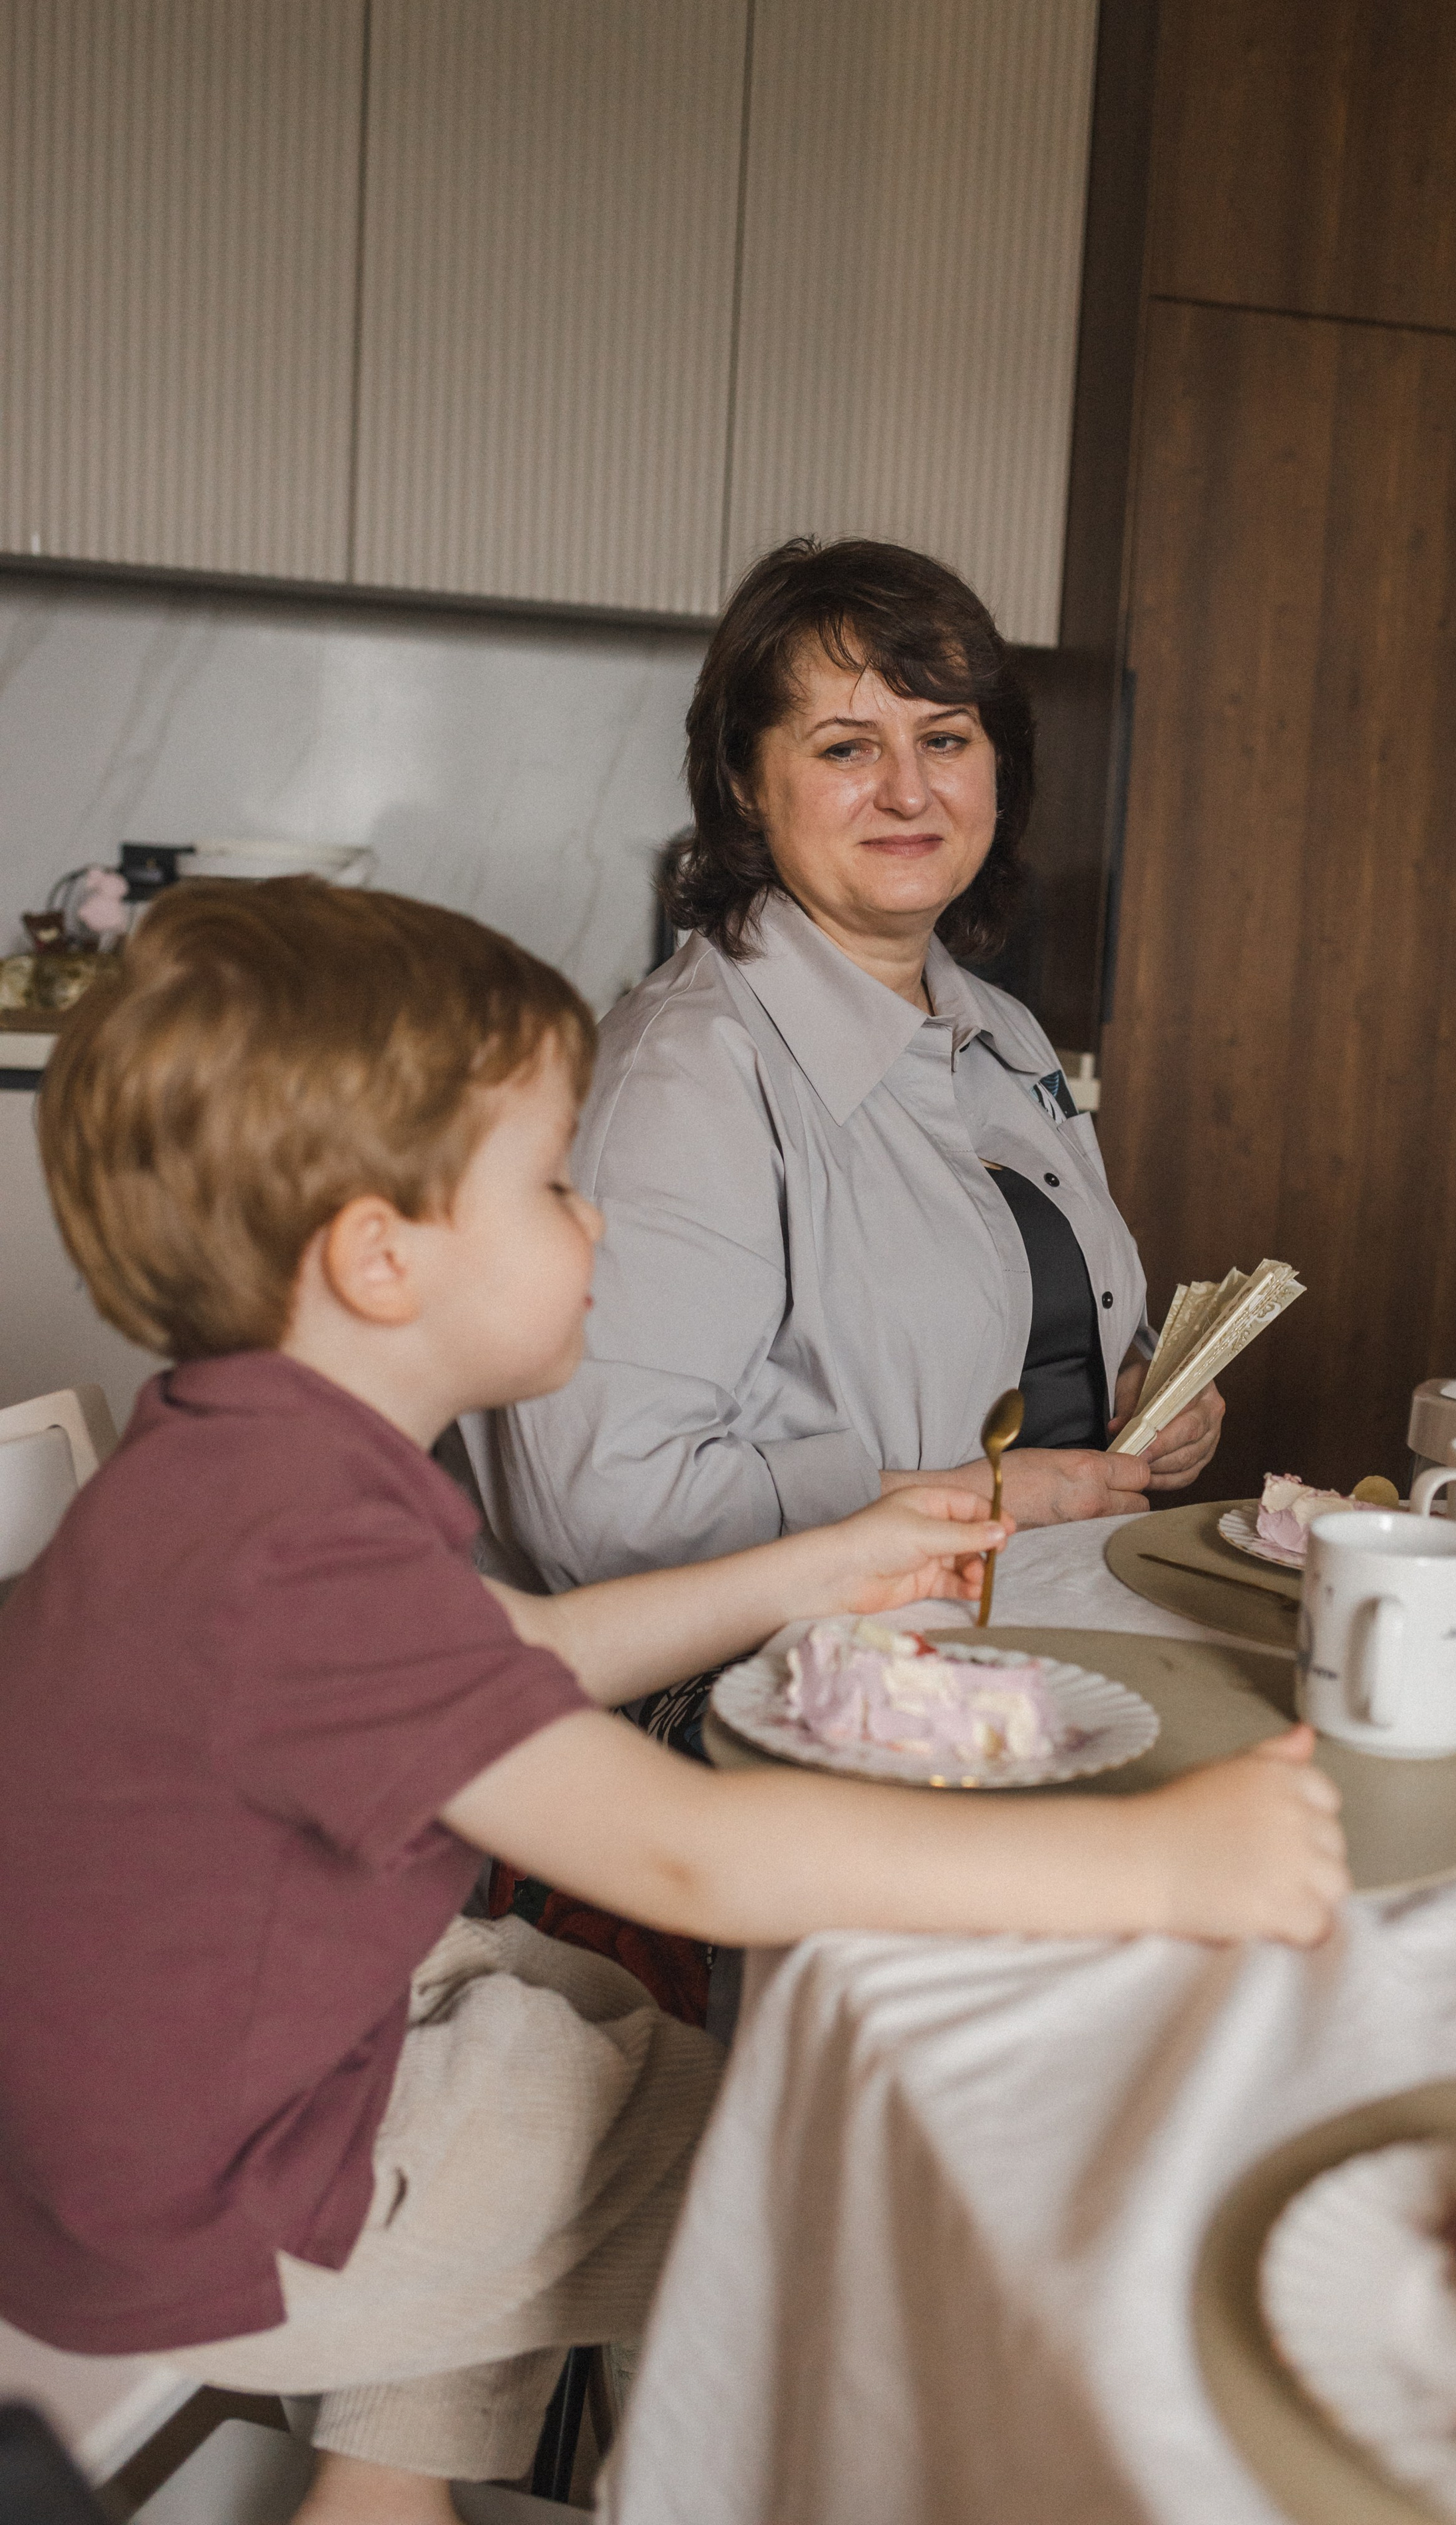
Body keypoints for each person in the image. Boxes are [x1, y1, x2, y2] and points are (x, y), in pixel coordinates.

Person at [0, 880, 1345, 2525]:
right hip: (195, 2207)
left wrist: (825, 1562)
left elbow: (533, 1648)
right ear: (377, 1257)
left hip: (144, 2123)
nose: (599, 1223)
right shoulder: (302, 1555)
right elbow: (695, 1858)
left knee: (551, 2014)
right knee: (807, 2158)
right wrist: (1164, 1861)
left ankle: (376, 2495)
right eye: (551, 1183)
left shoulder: (238, 1465)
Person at [463, 536, 1224, 1607]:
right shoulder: (683, 1082)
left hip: (1046, 1611)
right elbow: (604, 1514)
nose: (910, 793)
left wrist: (1144, 1388)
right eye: (847, 749)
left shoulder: (1003, 1033)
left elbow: (1034, 1323)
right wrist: (964, 1498)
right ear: (745, 783)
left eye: (945, 739)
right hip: (799, 1665)